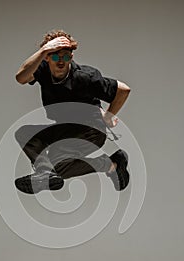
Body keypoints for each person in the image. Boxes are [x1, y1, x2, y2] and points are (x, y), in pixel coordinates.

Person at [14, 29, 131, 194]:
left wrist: (108, 115)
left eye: (66, 57)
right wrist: (42, 50)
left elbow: (123, 90)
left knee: (57, 168)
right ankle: (44, 171)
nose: (60, 62)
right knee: (25, 133)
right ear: (47, 58)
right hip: (65, 128)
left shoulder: (85, 77)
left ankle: (110, 164)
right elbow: (21, 78)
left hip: (90, 129)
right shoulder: (42, 70)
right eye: (55, 56)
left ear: (71, 57)